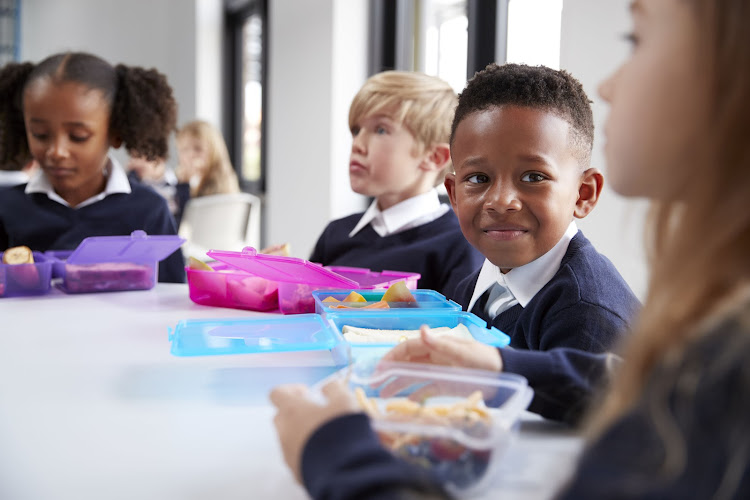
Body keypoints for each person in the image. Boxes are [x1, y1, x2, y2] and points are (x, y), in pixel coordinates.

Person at [271, 0, 750, 498]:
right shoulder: (708, 332)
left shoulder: (604, 315)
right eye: (478, 178)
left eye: (637, 40)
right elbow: (628, 386)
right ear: (453, 189)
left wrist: (337, 453)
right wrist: (500, 367)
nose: (609, 85)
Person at [446, 63, 640, 354]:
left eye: (533, 177)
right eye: (478, 178)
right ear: (454, 194)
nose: (501, 201)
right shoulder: (473, 290)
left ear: (583, 194)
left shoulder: (587, 316)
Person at [0, 52, 185, 283]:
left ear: (115, 134)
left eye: (78, 136)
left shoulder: (149, 211)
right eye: (40, 134)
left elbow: (172, 301)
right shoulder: (6, 208)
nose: (57, 151)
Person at [309, 71, 483, 297]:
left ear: (434, 157)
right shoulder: (336, 233)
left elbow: (456, 330)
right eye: (356, 130)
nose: (357, 144)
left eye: (381, 130)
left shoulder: (461, 243)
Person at [175, 119, 240, 201]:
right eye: (184, 149)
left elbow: (187, 211)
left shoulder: (218, 186)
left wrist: (184, 184)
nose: (190, 155)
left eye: (198, 149)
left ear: (214, 151)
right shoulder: (181, 180)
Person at [126, 154, 189, 227]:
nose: (136, 162)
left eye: (140, 156)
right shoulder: (134, 188)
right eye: (133, 157)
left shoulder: (181, 185)